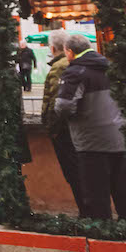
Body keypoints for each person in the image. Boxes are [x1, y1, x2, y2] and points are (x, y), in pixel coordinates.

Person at [55, 34, 126, 221]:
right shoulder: (110, 68)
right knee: (121, 189)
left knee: (97, 193)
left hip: (91, 139)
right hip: (117, 137)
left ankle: (103, 236)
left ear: (70, 52)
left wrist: (74, 117)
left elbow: (63, 105)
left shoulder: (75, 72)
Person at [41, 29, 85, 213]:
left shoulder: (59, 67)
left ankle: (86, 212)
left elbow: (55, 101)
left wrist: (52, 128)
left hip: (64, 131)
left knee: (74, 173)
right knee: (78, 173)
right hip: (75, 128)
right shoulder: (71, 64)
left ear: (53, 48)